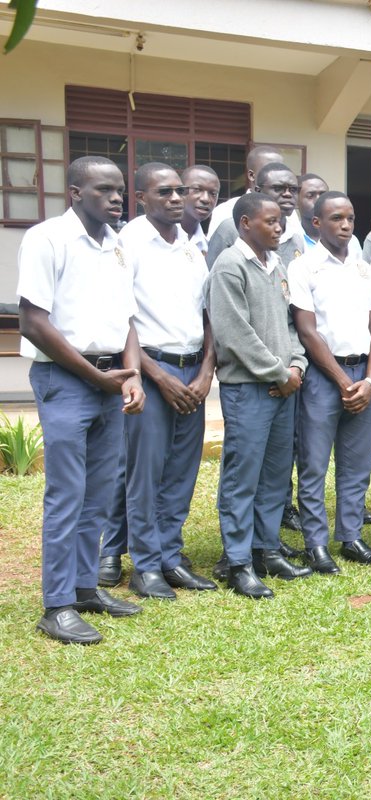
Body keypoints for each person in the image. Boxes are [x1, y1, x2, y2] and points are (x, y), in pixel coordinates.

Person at [18, 155, 145, 644]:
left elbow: (128, 318)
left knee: (98, 493)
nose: (116, 197)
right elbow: (33, 322)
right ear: (74, 193)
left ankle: (86, 587)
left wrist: (129, 375)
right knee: (67, 494)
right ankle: (57, 605)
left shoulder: (117, 244)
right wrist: (96, 376)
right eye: (103, 190)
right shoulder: (47, 238)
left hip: (110, 376)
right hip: (65, 378)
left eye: (119, 190)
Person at [118, 163, 218, 600]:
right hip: (152, 371)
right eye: (165, 192)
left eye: (180, 190)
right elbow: (121, 318)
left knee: (181, 471)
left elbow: (209, 315)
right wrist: (155, 376)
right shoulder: (128, 244)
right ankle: (145, 566)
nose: (177, 198)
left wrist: (206, 372)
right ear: (142, 197)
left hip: (192, 372)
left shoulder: (193, 248)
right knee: (146, 474)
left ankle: (171, 558)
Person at [207, 192, 312, 598]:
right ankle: (237, 562)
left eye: (281, 221)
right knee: (241, 477)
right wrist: (277, 372)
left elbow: (289, 325)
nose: (279, 228)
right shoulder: (230, 266)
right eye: (270, 221)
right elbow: (234, 334)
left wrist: (297, 365)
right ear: (245, 223)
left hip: (284, 385)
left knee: (273, 477)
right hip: (249, 389)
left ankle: (267, 550)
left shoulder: (277, 264)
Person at [289, 191, 371, 573]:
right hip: (325, 378)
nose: (345, 225)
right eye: (335, 218)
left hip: (364, 376)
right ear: (316, 223)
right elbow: (308, 332)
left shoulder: (364, 267)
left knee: (357, 463)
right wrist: (346, 382)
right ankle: (316, 544)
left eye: (350, 218)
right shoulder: (304, 267)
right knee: (314, 464)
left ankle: (351, 537)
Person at [206, 163, 304, 269]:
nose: (288, 194)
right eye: (278, 188)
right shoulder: (232, 228)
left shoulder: (296, 235)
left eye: (293, 190)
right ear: (258, 191)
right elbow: (214, 277)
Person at [207, 144, 285, 232]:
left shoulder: (288, 213)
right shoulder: (226, 211)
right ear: (251, 175)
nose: (277, 176)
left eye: (280, 170)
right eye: (269, 171)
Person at [180, 164, 220, 258]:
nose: (206, 199)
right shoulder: (151, 235)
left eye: (213, 193)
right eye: (197, 190)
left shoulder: (208, 248)